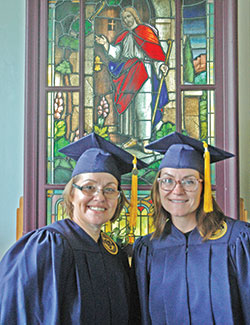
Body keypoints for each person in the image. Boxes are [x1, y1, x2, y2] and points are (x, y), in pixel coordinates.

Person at [0, 132, 147, 324]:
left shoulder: (114, 254)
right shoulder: (46, 246)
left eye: (109, 189)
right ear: (71, 195)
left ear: (118, 199)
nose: (100, 197)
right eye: (88, 187)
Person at [132, 131, 250, 324]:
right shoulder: (148, 249)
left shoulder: (238, 241)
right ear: (158, 188)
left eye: (189, 181)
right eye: (167, 181)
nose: (177, 190)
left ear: (203, 188)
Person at [95, 7, 169, 152]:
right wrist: (106, 44)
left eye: (129, 16)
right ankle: (134, 138)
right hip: (129, 73)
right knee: (129, 107)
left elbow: (155, 54)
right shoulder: (124, 36)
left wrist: (161, 66)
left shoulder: (146, 32)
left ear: (135, 16)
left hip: (143, 72)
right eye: (124, 18)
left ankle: (146, 141)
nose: (127, 20)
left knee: (143, 107)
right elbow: (117, 55)